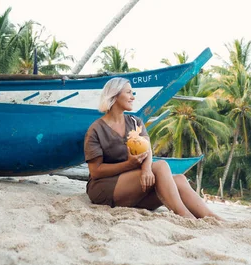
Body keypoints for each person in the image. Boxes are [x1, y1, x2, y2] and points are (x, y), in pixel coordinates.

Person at [84, 77, 221, 219]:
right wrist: (129, 164)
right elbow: (96, 172)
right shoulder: (96, 130)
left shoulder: (135, 122)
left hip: (134, 186)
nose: (132, 97)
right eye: (128, 93)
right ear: (114, 95)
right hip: (104, 187)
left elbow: (147, 149)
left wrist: (146, 169)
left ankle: (211, 217)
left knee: (179, 179)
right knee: (160, 166)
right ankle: (184, 215)